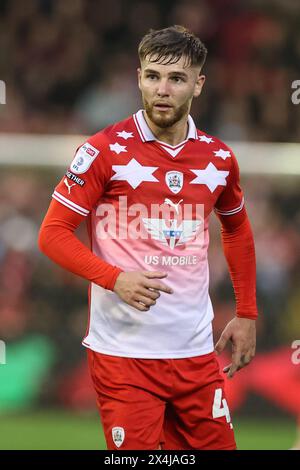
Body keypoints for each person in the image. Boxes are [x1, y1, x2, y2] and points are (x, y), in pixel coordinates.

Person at [39, 25, 258, 450]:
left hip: (195, 355)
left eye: (177, 79)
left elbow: (237, 229)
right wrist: (113, 277)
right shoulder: (105, 150)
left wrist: (246, 312)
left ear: (198, 84)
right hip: (124, 358)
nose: (163, 89)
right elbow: (51, 235)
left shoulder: (217, 159)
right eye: (153, 75)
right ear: (138, 76)